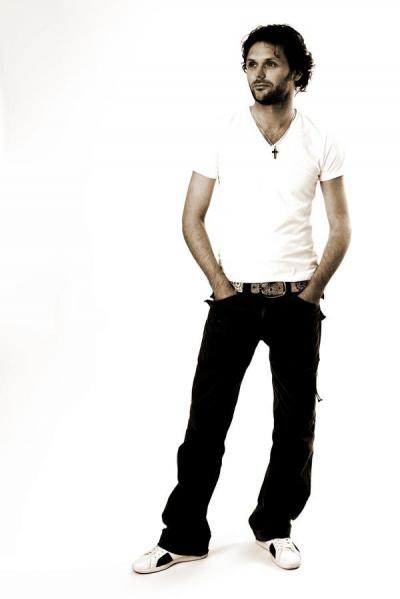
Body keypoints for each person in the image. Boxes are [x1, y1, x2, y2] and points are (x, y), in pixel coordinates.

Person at [132, 23, 351, 574]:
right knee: (206, 423)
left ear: (295, 71)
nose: (258, 73)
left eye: (270, 63)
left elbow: (341, 227)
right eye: (251, 64)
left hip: (296, 302)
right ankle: (184, 535)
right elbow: (191, 217)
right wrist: (221, 286)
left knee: (295, 426)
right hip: (233, 302)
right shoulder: (222, 133)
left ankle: (275, 526)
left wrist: (311, 294)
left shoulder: (320, 138)